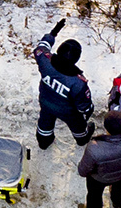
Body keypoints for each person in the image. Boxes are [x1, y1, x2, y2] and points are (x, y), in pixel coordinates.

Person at [31, 19, 93, 149]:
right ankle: (82, 138)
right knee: (78, 124)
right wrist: (88, 110)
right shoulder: (78, 82)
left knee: (45, 121)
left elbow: (41, 47)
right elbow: (83, 106)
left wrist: (53, 33)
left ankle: (44, 142)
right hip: (68, 111)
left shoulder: (45, 61)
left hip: (46, 101)